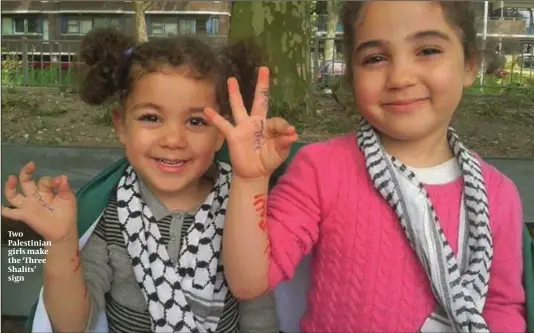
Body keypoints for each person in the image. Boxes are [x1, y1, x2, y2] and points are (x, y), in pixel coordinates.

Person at [205, 1, 527, 332]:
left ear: (470, 65)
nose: (400, 77)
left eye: (428, 50)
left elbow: (500, 306)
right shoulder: (322, 169)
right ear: (352, 74)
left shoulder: (497, 195)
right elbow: (249, 282)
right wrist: (250, 180)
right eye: (375, 58)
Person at [1, 28, 279, 333]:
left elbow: (258, 312)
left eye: (196, 121)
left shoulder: (239, 208)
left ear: (220, 134)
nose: (173, 139)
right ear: (121, 126)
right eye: (151, 117)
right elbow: (72, 324)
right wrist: (62, 241)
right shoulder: (111, 213)